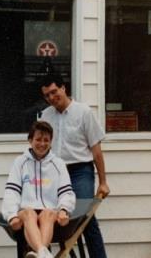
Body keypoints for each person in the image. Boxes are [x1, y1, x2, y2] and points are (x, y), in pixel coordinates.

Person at [38, 75, 109, 258]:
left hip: (80, 171)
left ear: (63, 88)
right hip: (54, 172)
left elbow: (96, 150)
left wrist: (103, 182)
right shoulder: (46, 116)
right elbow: (41, 149)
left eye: (54, 92)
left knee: (84, 216)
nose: (52, 97)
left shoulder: (84, 112)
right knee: (51, 215)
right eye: (47, 95)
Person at [1, 121, 76, 258]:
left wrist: (64, 210)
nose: (42, 144)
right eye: (38, 139)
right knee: (29, 213)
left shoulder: (58, 164)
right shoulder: (20, 162)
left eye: (46, 140)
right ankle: (44, 253)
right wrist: (11, 215)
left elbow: (66, 192)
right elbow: (12, 192)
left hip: (49, 211)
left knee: (47, 213)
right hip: (26, 212)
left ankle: (40, 253)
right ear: (30, 140)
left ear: (51, 142)